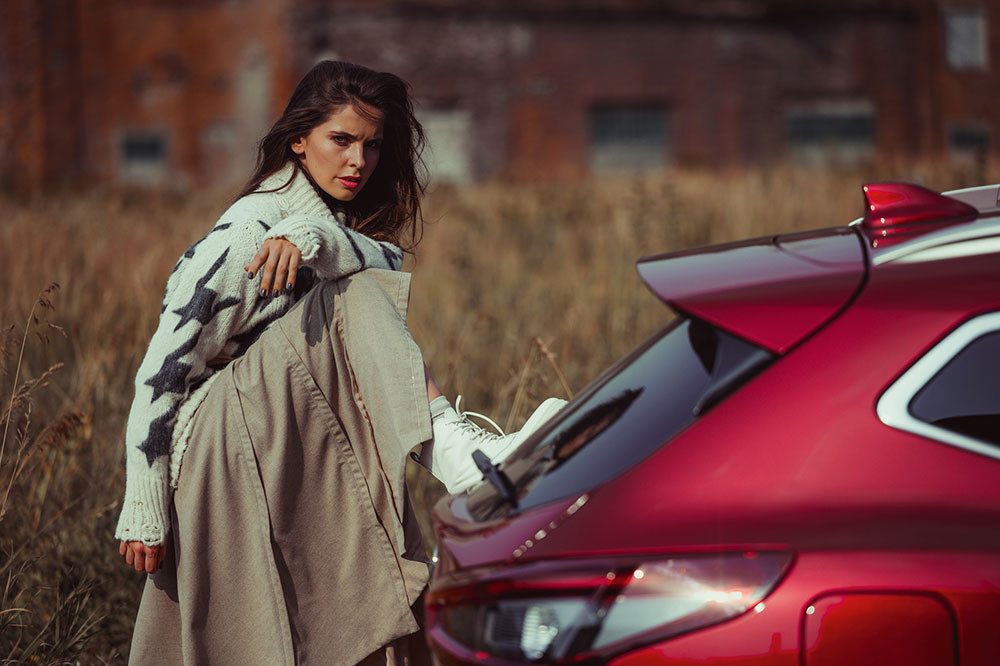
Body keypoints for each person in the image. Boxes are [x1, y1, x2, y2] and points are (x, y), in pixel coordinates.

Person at [114, 60, 565, 665]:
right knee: (354, 295)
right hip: (213, 438)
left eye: (372, 145)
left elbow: (386, 259)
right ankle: (459, 455)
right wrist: (143, 505)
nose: (359, 161)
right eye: (342, 140)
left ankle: (457, 459)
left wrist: (315, 237)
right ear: (298, 141)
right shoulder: (247, 231)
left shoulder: (320, 225)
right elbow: (161, 371)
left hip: (273, 424)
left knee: (357, 287)